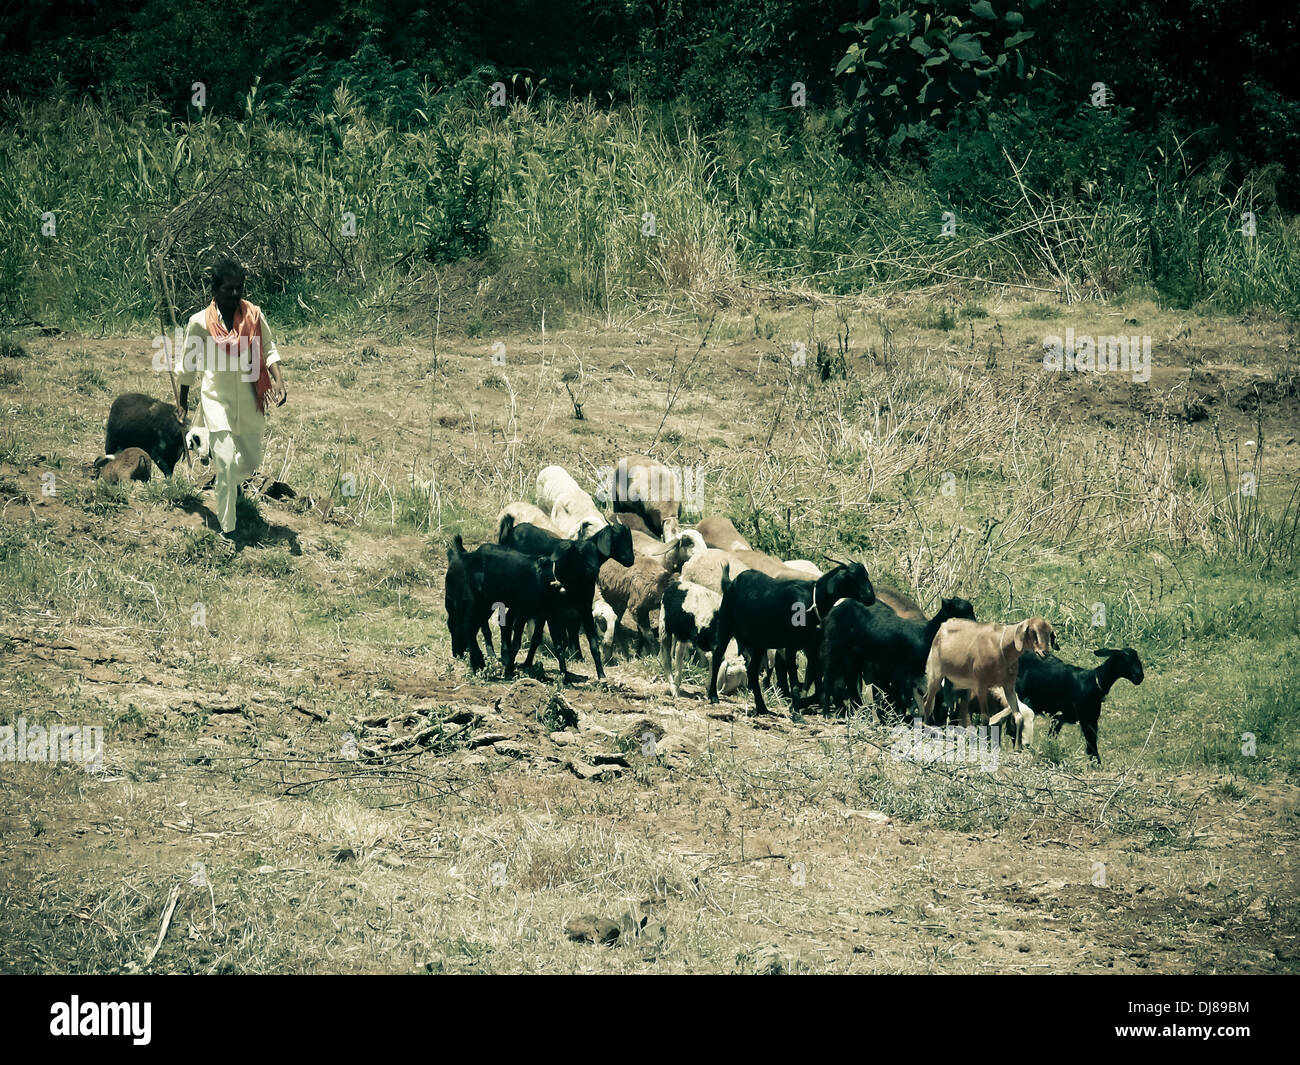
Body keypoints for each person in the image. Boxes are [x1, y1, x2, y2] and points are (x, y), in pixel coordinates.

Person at [175, 257, 287, 538]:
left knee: (250, 461)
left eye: (239, 288)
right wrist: (182, 401)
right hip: (216, 398)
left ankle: (226, 482)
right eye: (228, 289)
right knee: (224, 459)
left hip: (250, 397)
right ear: (214, 289)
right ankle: (229, 529)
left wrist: (279, 379)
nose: (235, 295)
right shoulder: (198, 323)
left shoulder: (254, 316)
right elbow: (188, 364)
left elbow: (269, 348)